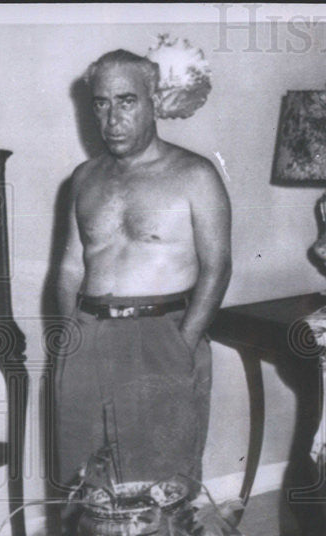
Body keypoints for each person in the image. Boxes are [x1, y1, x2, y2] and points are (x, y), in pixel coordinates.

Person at [54, 50, 231, 489]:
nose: (112, 119)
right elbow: (70, 267)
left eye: (126, 101)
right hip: (88, 333)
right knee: (83, 486)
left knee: (160, 489)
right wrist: (69, 336)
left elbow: (217, 268)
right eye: (101, 103)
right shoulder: (83, 178)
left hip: (160, 334)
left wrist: (182, 342)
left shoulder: (195, 175)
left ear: (154, 98)